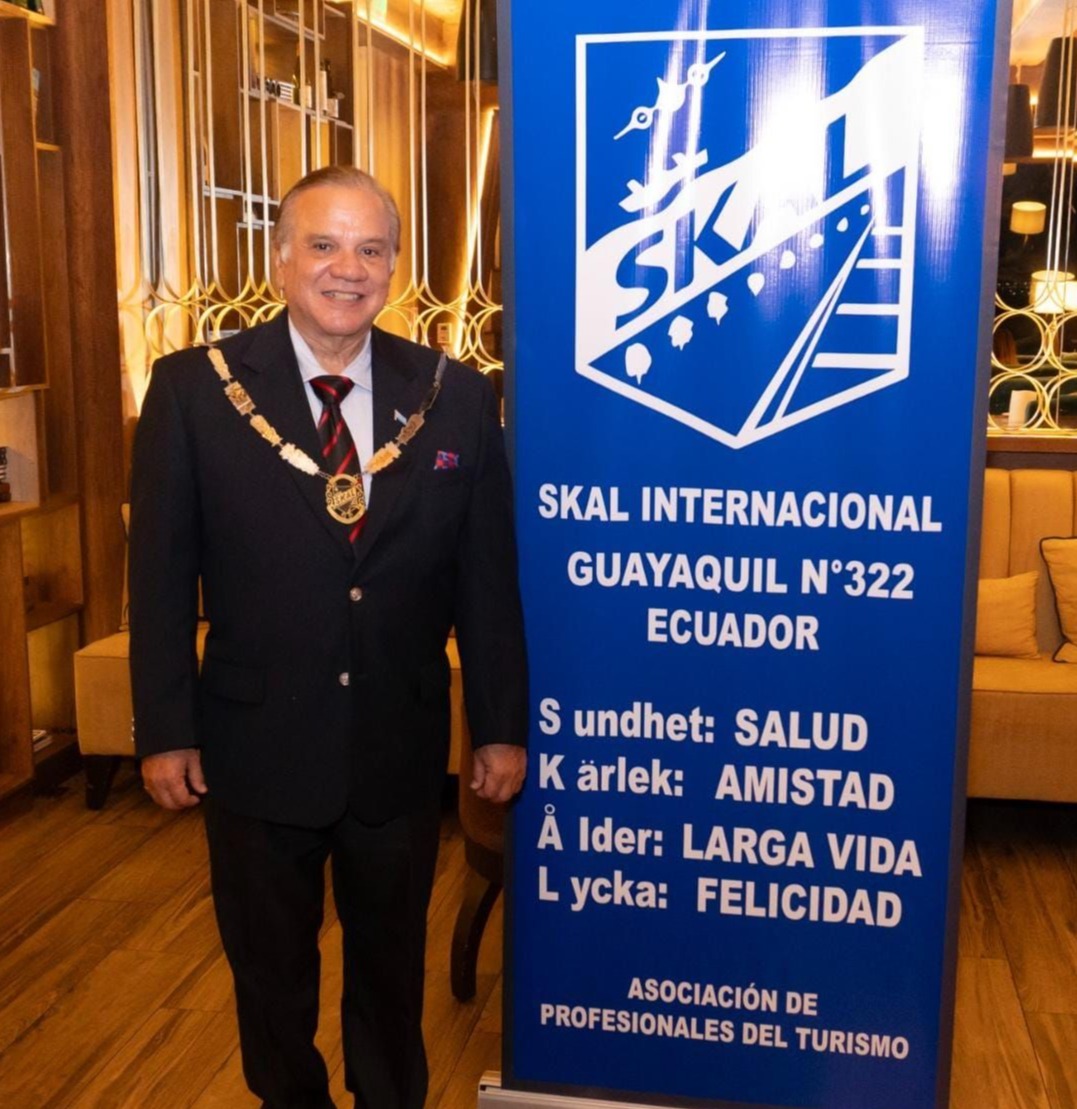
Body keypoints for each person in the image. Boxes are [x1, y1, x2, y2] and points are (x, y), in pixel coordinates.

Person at [129, 166, 528, 1109]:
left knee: (390, 980)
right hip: (255, 748)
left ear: (392, 267)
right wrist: (165, 729)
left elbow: (485, 579)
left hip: (396, 747)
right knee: (271, 982)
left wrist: (500, 725)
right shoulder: (193, 390)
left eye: (369, 249)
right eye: (323, 245)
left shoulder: (456, 397)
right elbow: (158, 578)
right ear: (279, 259)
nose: (347, 268)